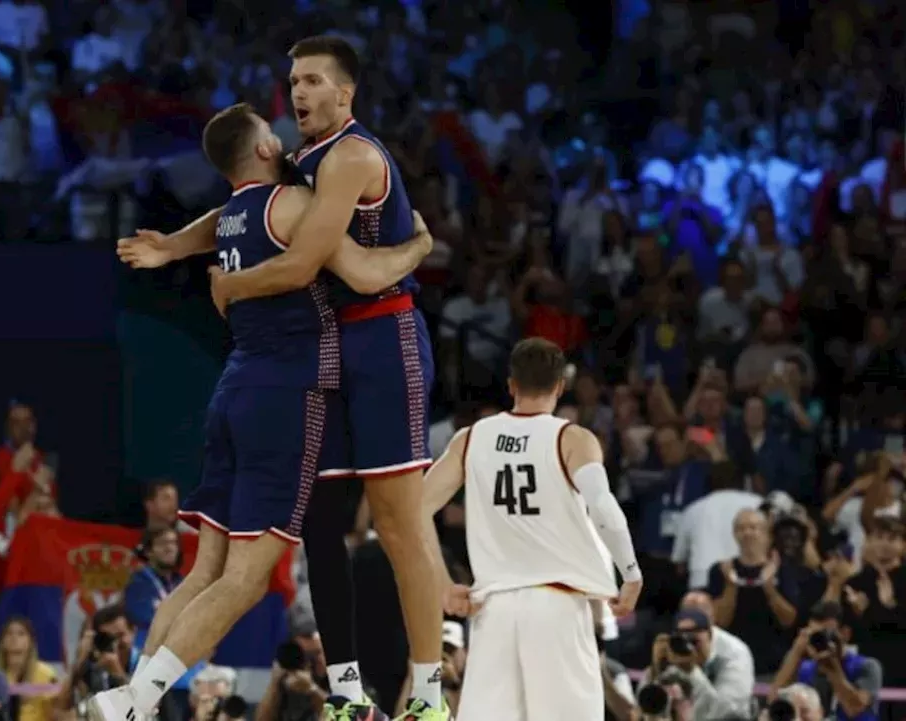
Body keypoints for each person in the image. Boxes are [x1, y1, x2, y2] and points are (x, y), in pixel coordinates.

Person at [120, 35, 445, 719]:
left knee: (396, 524)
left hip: (384, 337)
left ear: (345, 93)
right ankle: (349, 693)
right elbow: (240, 206)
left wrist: (417, 246)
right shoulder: (297, 164)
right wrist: (175, 244)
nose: (298, 92)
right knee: (321, 523)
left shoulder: (352, 156)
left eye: (313, 81)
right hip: (326, 353)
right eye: (293, 80)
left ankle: (429, 691)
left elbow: (326, 270)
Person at [419, 337, 643, 720]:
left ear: (511, 385)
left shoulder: (470, 438)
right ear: (560, 386)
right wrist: (631, 572)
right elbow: (603, 508)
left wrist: (442, 583)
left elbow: (416, 511)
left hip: (494, 609)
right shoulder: (572, 438)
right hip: (557, 604)